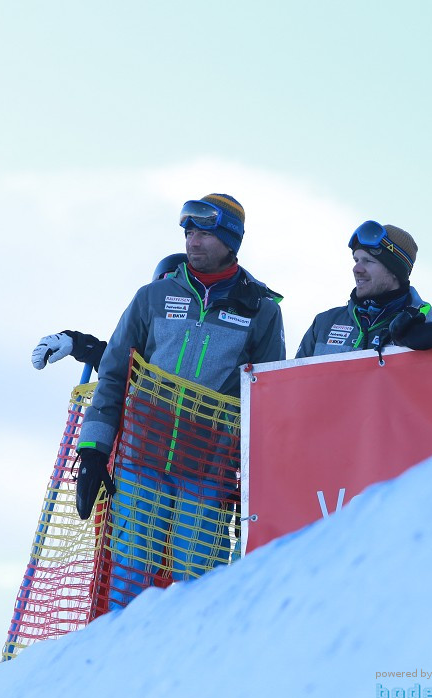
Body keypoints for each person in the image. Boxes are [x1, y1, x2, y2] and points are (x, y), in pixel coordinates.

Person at [74, 194, 285, 604]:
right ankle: (120, 660)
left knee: (199, 586)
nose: (193, 241)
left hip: (208, 469)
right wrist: (93, 451)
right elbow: (115, 374)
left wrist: (255, 479)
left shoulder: (259, 309)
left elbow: (267, 401)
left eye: (204, 232)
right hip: (142, 459)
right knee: (129, 577)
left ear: (230, 240)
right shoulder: (151, 297)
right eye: (189, 231)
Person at [295, 221, 432, 357]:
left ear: (395, 271)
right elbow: (295, 379)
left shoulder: (423, 329)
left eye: (368, 261)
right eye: (356, 260)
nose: (356, 269)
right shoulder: (324, 323)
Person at [29, 253, 188, 372]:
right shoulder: (146, 326)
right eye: (166, 281)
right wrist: (74, 341)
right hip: (143, 412)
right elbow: (115, 360)